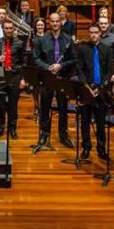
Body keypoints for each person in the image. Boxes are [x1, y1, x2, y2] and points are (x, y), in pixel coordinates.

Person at [33, 13, 76, 148]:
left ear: (60, 23)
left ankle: (63, 135)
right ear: (49, 23)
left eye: (57, 21)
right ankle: (44, 134)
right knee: (44, 107)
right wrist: (48, 67)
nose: (55, 24)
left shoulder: (68, 39)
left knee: (63, 108)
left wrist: (60, 66)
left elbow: (74, 59)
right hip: (47, 78)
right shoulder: (41, 40)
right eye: (53, 21)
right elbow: (36, 58)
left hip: (63, 78)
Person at [76, 23, 113, 160]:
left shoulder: (107, 49)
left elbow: (109, 70)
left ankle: (101, 149)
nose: (93, 35)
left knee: (100, 122)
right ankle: (86, 147)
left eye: (96, 32)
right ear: (88, 33)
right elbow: (79, 69)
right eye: (91, 32)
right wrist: (86, 86)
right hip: (86, 90)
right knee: (85, 121)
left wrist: (101, 86)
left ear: (100, 33)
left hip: (101, 90)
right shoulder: (82, 49)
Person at [0, 20, 26, 140]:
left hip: (14, 76)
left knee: (13, 105)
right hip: (0, 75)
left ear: (13, 29)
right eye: (6, 28)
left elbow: (23, 62)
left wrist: (23, 78)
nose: (8, 30)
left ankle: (12, 128)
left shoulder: (20, 43)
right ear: (3, 29)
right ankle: (0, 127)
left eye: (10, 28)